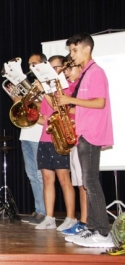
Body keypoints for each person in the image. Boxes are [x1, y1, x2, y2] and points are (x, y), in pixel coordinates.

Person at [56, 32, 114, 248]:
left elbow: (99, 103)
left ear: (87, 49)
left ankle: (103, 232)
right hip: (84, 132)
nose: (72, 55)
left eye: (74, 50)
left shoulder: (96, 72)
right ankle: (92, 229)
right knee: (88, 183)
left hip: (91, 133)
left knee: (90, 182)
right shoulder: (85, 75)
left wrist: (69, 99)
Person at [34, 55, 76, 230]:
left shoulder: (68, 87)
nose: (52, 71)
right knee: (47, 179)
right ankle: (49, 217)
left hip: (60, 138)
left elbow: (60, 107)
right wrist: (30, 114)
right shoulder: (47, 92)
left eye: (56, 67)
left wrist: (44, 91)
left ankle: (71, 217)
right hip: (45, 138)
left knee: (64, 179)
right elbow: (45, 119)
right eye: (49, 68)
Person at [9, 53, 46, 225]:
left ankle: (45, 212)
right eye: (29, 64)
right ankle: (39, 210)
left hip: (40, 135)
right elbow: (19, 108)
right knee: (31, 175)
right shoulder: (29, 86)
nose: (31, 67)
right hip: (26, 135)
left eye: (34, 64)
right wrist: (14, 96)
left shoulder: (46, 84)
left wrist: (27, 99)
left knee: (40, 175)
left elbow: (44, 109)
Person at [60, 57, 88, 236]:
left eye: (70, 69)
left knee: (85, 184)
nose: (67, 73)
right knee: (79, 184)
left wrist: (65, 106)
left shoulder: (81, 87)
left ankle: (86, 222)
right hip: (73, 139)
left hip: (82, 138)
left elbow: (84, 109)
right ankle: (83, 221)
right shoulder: (71, 88)